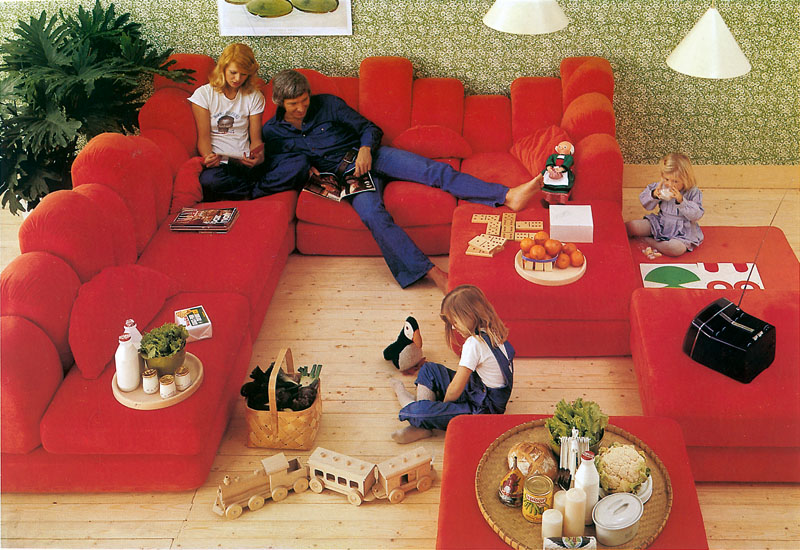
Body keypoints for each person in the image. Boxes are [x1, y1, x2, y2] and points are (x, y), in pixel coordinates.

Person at [261, 69, 544, 292]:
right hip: (348, 177)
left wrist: (365, 149)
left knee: (434, 171)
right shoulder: (273, 132)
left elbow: (369, 128)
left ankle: (507, 195)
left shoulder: (329, 104)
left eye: (305, 100)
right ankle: (434, 274)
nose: (302, 108)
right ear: (279, 103)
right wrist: (310, 172)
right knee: (373, 215)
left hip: (373, 155)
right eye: (294, 104)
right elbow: (283, 164)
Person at [389, 284, 515, 443]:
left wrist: (442, 408)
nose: (454, 328)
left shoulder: (474, 343)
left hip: (484, 410)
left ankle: (415, 413)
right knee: (428, 369)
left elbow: (455, 388)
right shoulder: (493, 331)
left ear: (469, 315)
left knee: (419, 412)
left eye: (455, 322)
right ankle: (423, 423)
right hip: (479, 389)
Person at [189, 44, 309, 202]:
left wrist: (258, 156)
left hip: (246, 163)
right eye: (233, 72)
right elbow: (204, 138)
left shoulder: (254, 96)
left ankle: (253, 191)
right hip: (222, 165)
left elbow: (256, 139)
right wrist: (208, 158)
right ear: (223, 68)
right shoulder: (203, 95)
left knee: (300, 162)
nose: (237, 79)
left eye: (243, 74)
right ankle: (262, 188)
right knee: (209, 180)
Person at [626, 152, 704, 257]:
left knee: (675, 249)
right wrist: (654, 195)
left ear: (685, 179)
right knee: (631, 226)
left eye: (675, 181)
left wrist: (681, 201)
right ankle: (658, 240)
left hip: (682, 231)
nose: (670, 184)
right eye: (667, 179)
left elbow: (697, 215)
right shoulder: (661, 186)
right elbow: (645, 204)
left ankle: (649, 241)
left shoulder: (693, 192)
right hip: (660, 223)